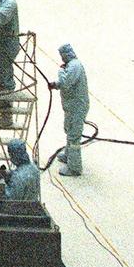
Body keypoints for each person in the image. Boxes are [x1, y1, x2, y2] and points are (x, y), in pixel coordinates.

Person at [48, 43, 89, 177]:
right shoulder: (72, 66)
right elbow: (66, 83)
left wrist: (60, 71)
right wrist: (56, 85)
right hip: (72, 107)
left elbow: (66, 82)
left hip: (77, 107)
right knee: (69, 129)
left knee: (73, 136)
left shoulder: (74, 66)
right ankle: (68, 155)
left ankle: (75, 168)